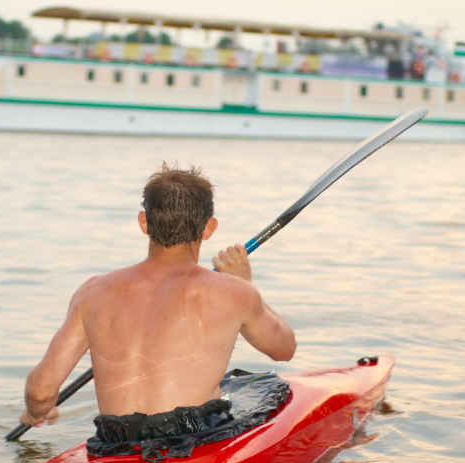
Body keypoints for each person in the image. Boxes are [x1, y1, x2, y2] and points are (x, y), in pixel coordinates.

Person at [19, 163, 296, 445]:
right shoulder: (235, 292)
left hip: (115, 439)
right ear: (209, 228)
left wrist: (36, 412)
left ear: (144, 222)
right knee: (263, 388)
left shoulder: (92, 292)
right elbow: (284, 349)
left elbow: (41, 392)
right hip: (197, 436)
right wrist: (246, 284)